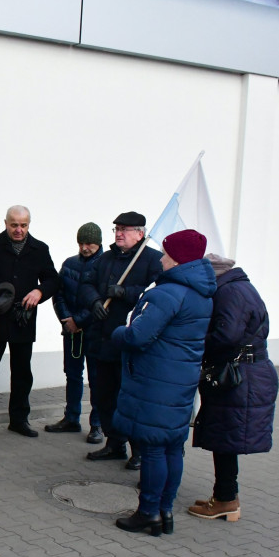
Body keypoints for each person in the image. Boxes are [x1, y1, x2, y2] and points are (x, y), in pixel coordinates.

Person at [111, 229, 215, 536]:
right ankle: (165, 512)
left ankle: (148, 513)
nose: (163, 258)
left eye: (167, 253)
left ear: (179, 258)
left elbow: (138, 335)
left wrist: (118, 332)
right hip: (180, 382)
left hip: (156, 381)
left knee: (154, 449)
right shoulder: (203, 293)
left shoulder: (168, 293)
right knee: (172, 446)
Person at [189, 253, 278, 522]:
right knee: (225, 436)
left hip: (239, 377)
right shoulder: (238, 287)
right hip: (244, 374)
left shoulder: (230, 293)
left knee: (227, 438)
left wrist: (193, 340)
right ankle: (224, 496)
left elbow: (226, 336)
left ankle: (226, 500)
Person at [79, 212, 163, 469]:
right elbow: (86, 283)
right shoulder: (106, 258)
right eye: (116, 228)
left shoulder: (152, 259)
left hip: (131, 345)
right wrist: (94, 301)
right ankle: (114, 443)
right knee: (104, 396)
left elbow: (159, 294)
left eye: (125, 229)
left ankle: (138, 450)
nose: (118, 234)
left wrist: (127, 292)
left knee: (131, 399)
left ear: (140, 233)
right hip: (102, 340)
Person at [0, 205, 60, 438]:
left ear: (29, 224)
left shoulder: (40, 249)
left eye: (23, 225)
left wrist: (40, 292)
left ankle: (19, 420)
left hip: (24, 319)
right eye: (14, 225)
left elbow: (53, 280)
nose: (19, 230)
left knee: (22, 372)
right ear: (5, 223)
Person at [45, 222, 104, 443]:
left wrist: (78, 321)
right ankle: (71, 418)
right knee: (72, 375)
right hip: (71, 332)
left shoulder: (105, 266)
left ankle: (96, 424)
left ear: (98, 243)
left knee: (96, 379)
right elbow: (58, 294)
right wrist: (66, 320)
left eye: (88, 243)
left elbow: (102, 301)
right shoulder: (69, 264)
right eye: (81, 243)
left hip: (94, 331)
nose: (84, 247)